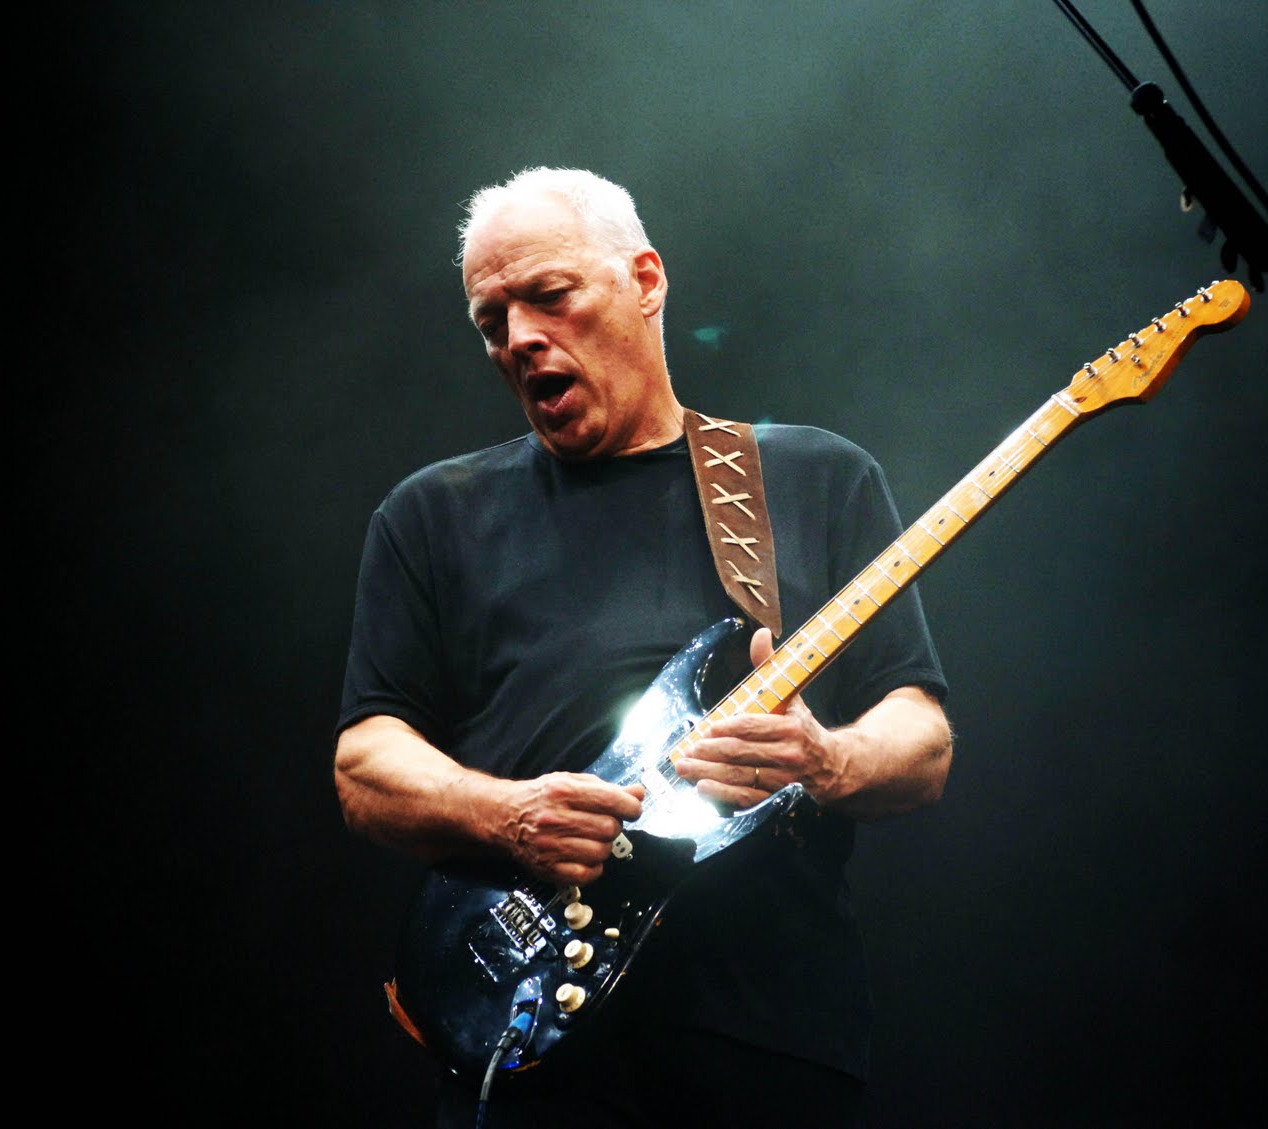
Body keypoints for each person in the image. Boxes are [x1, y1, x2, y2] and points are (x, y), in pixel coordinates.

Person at [333, 165, 953, 1129]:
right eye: (492, 321)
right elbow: (366, 762)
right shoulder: (432, 514)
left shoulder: (815, 477)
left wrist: (827, 757)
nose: (519, 338)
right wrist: (507, 813)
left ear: (646, 280)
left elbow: (922, 737)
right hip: (533, 1056)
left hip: (763, 1038)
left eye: (549, 295)